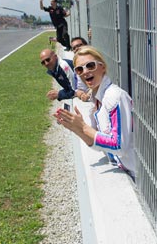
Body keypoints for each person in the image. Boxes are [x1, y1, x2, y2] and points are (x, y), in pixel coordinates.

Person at [53, 46, 136, 178]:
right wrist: (77, 129)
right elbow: (99, 146)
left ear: (102, 67)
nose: (85, 71)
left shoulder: (114, 96)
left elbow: (119, 145)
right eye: (79, 69)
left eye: (90, 66)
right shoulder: (97, 98)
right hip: (124, 169)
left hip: (137, 175)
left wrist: (84, 128)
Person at [70, 37, 92, 102]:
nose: (77, 48)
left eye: (79, 45)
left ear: (86, 45)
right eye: (74, 48)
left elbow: (99, 83)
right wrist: (81, 94)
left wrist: (88, 94)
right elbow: (77, 89)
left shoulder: (93, 62)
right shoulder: (76, 67)